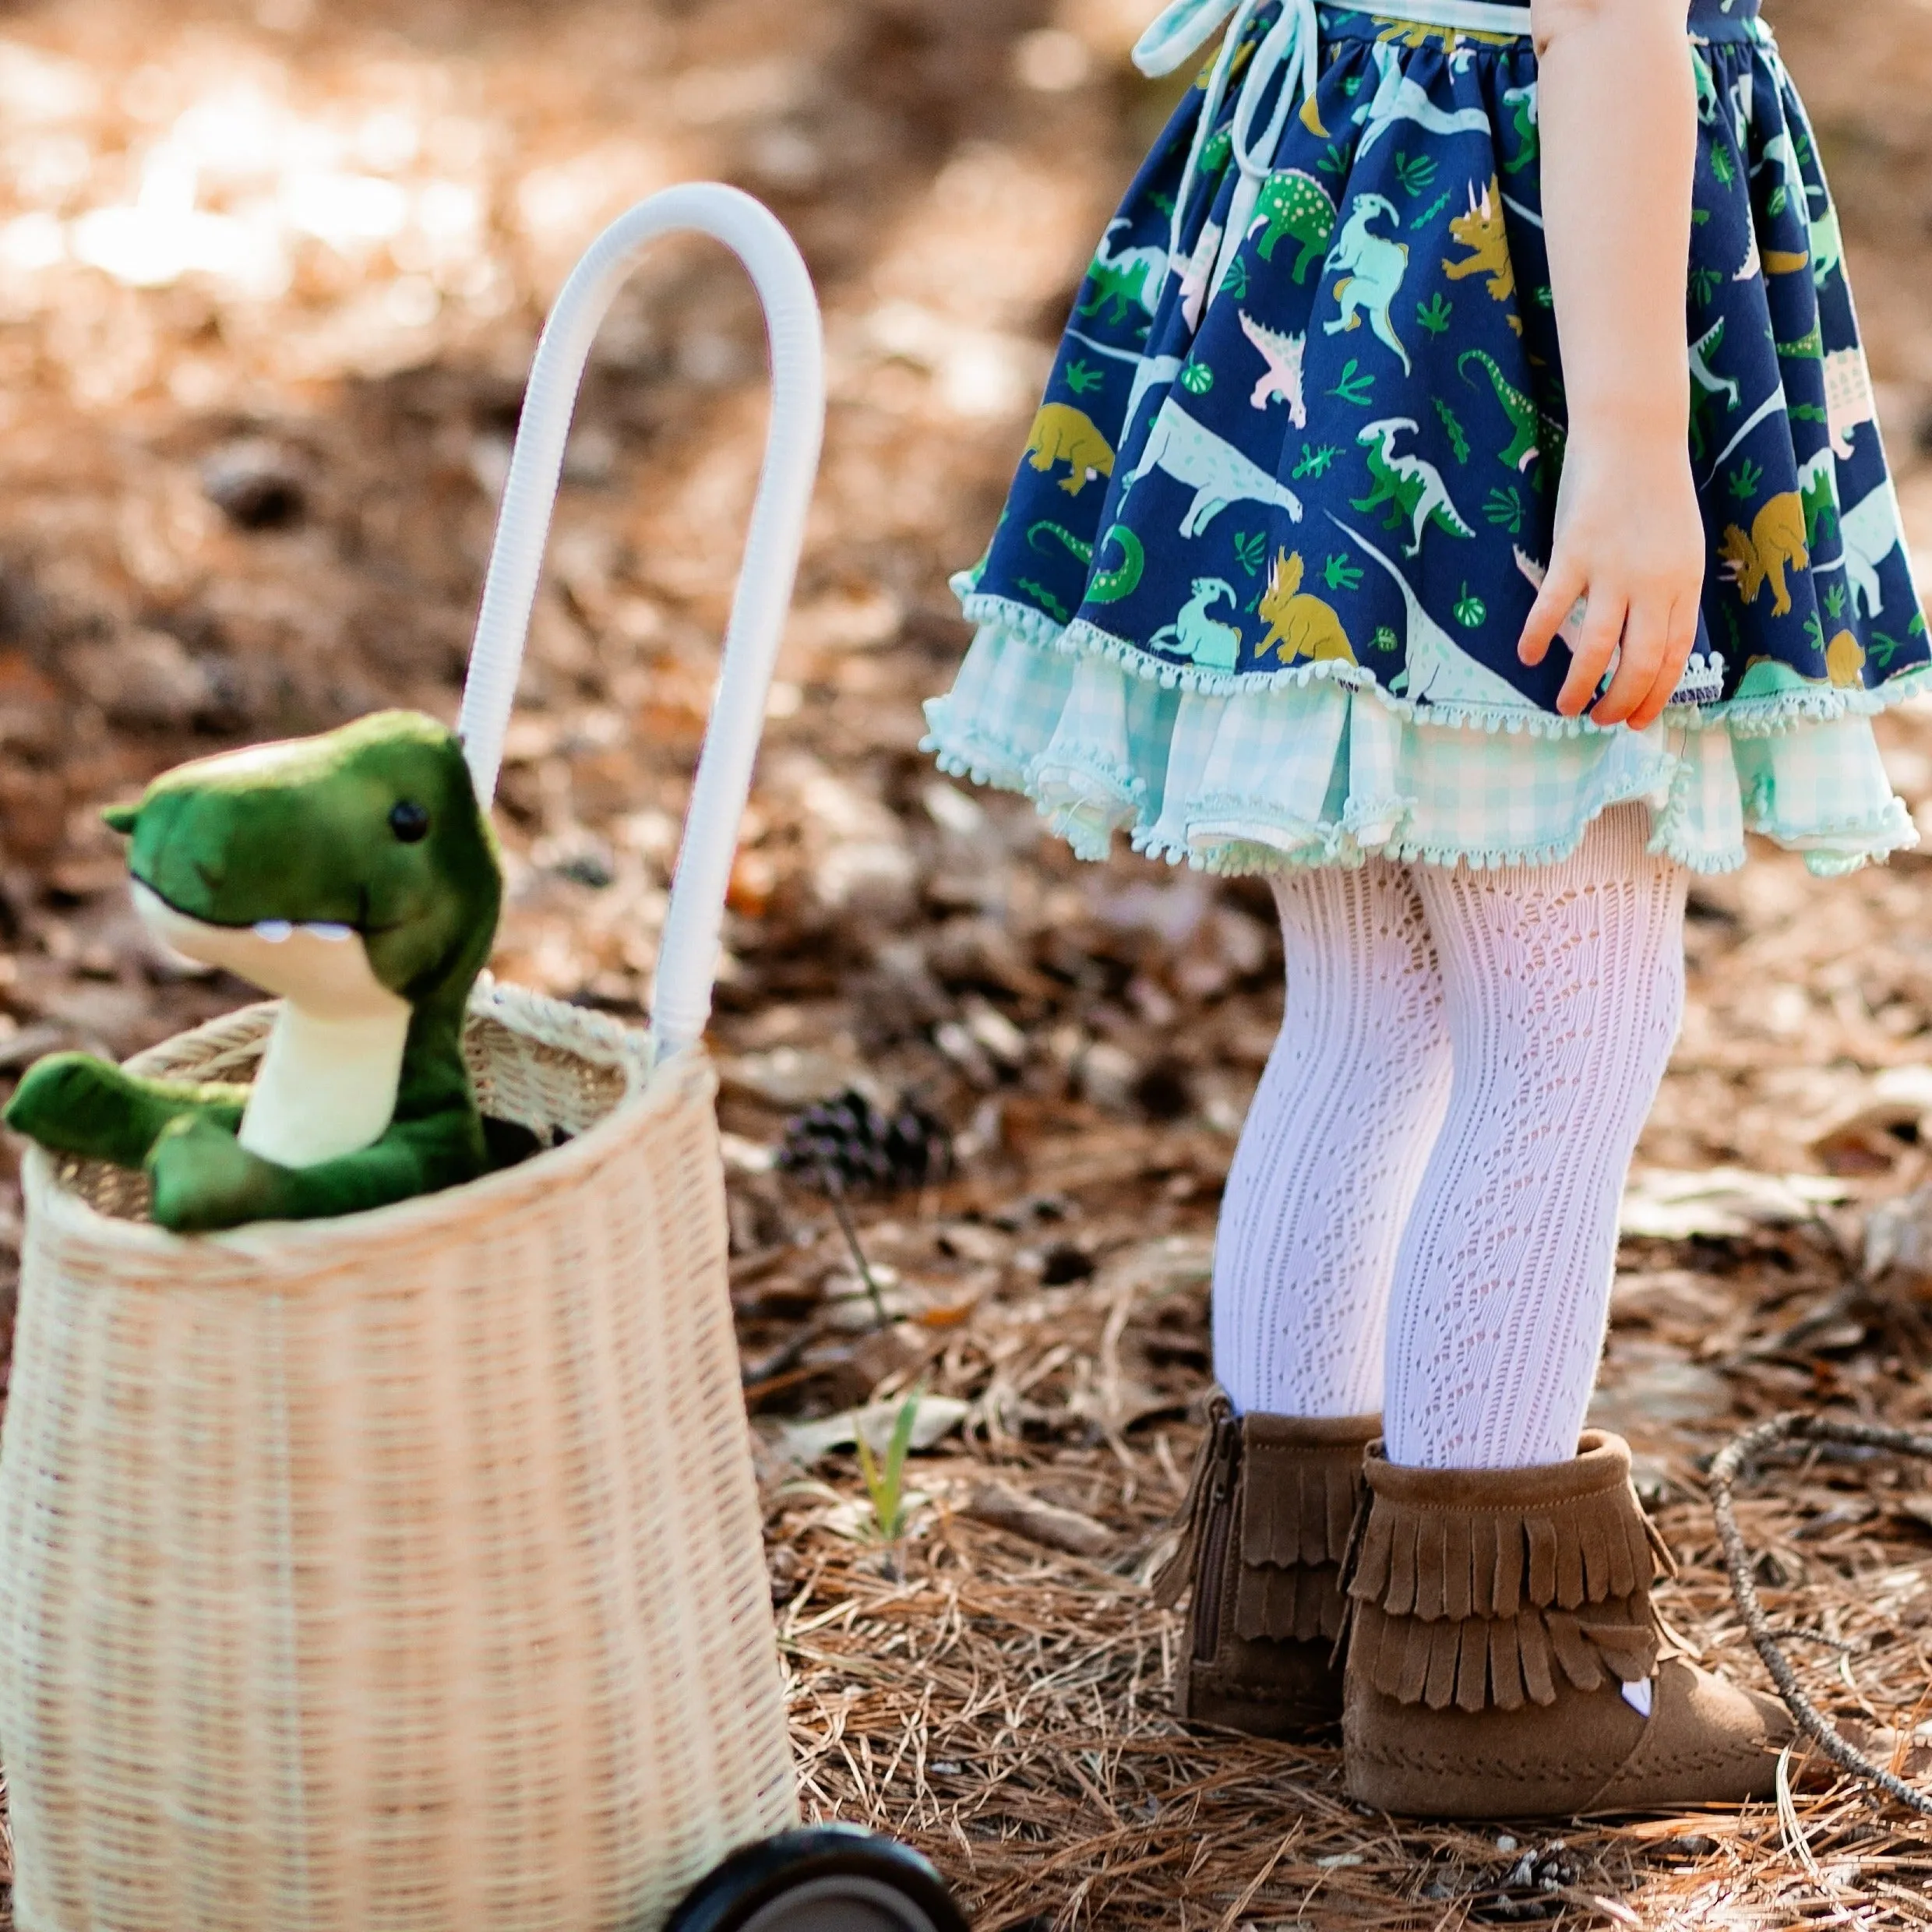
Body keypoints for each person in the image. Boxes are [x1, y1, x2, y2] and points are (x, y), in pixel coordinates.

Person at [922, 0, 1927, 1817]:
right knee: (1572, 1021)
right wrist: (1626, 443)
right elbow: (1607, 28)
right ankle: (1500, 1684)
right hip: (1513, 331)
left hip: (1320, 286)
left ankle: (1303, 1613)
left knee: (1374, 1009)